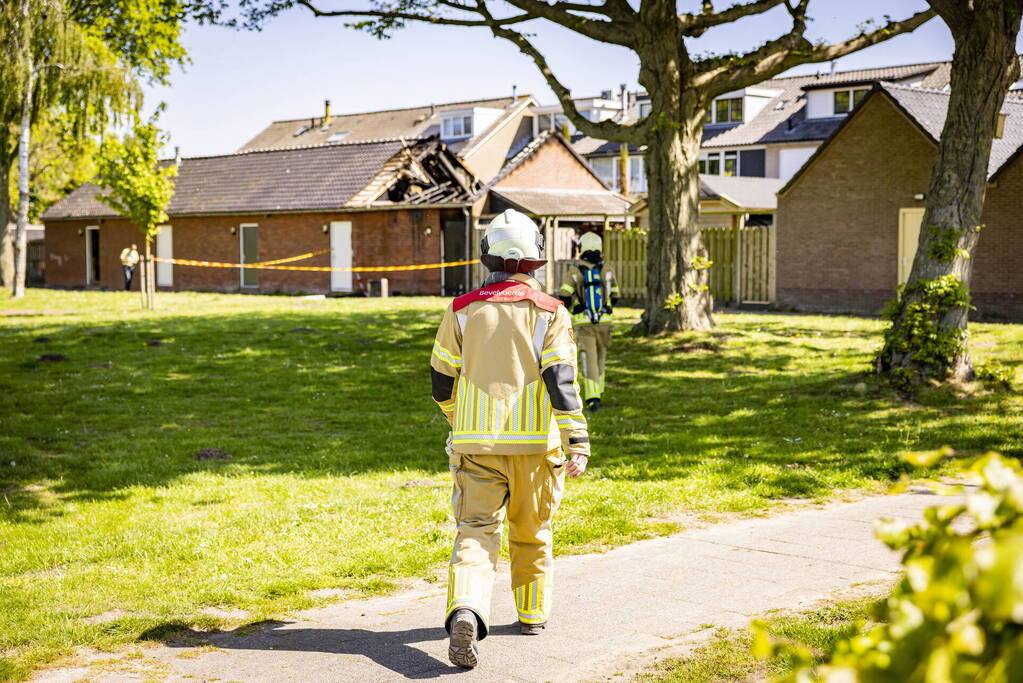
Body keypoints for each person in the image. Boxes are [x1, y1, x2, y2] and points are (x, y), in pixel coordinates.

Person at [430, 208, 590, 669]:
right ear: (536, 261)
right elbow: (561, 380)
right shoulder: (551, 312)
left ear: (487, 258)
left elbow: (441, 380)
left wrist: (456, 419)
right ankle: (532, 613)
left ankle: (467, 610)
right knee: (532, 533)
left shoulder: (461, 310)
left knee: (475, 534)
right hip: (537, 450)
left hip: (475, 448)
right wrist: (576, 439)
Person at [558, 232, 620, 412]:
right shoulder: (607, 269)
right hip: (605, 322)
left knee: (588, 357)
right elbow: (615, 294)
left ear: (580, 249)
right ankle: (599, 390)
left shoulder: (575, 271)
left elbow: (565, 294)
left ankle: (593, 398)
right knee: (601, 356)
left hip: (584, 323)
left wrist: (570, 310)